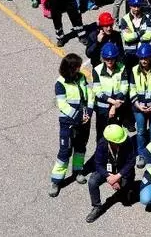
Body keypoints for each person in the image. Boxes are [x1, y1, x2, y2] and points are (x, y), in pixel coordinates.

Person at [50, 53, 94, 197]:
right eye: (77, 67)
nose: (79, 69)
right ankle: (56, 181)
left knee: (80, 148)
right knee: (65, 152)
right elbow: (62, 105)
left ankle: (77, 171)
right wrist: (80, 116)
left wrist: (89, 112)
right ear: (70, 68)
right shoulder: (60, 83)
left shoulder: (81, 77)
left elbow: (89, 94)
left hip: (84, 121)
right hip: (68, 123)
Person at [85, 123, 137, 223]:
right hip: (107, 170)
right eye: (118, 142)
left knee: (126, 182)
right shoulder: (102, 144)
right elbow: (98, 164)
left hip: (121, 168)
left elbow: (131, 162)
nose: (122, 142)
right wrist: (109, 178)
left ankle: (126, 191)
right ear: (110, 141)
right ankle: (97, 207)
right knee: (92, 181)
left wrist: (117, 176)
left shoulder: (127, 141)